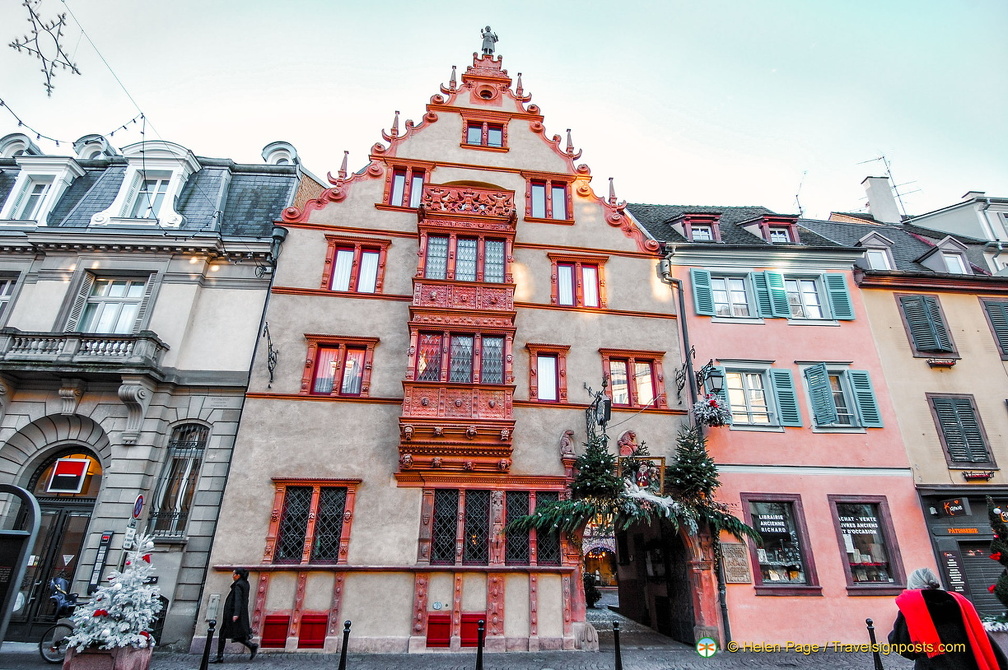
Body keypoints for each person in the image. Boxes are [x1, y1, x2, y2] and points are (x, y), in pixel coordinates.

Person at [888, 567, 1007, 669]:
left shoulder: (912, 607)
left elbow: (902, 645)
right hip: (968, 662)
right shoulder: (958, 601)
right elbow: (978, 633)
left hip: (933, 665)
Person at [210, 569, 257, 663]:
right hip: (239, 613)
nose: (233, 576)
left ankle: (220, 656)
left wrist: (236, 613)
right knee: (237, 634)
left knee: (223, 633)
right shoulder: (245, 583)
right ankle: (252, 646)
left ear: (238, 575)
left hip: (232, 613)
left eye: (234, 574)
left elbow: (238, 599)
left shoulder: (239, 585)